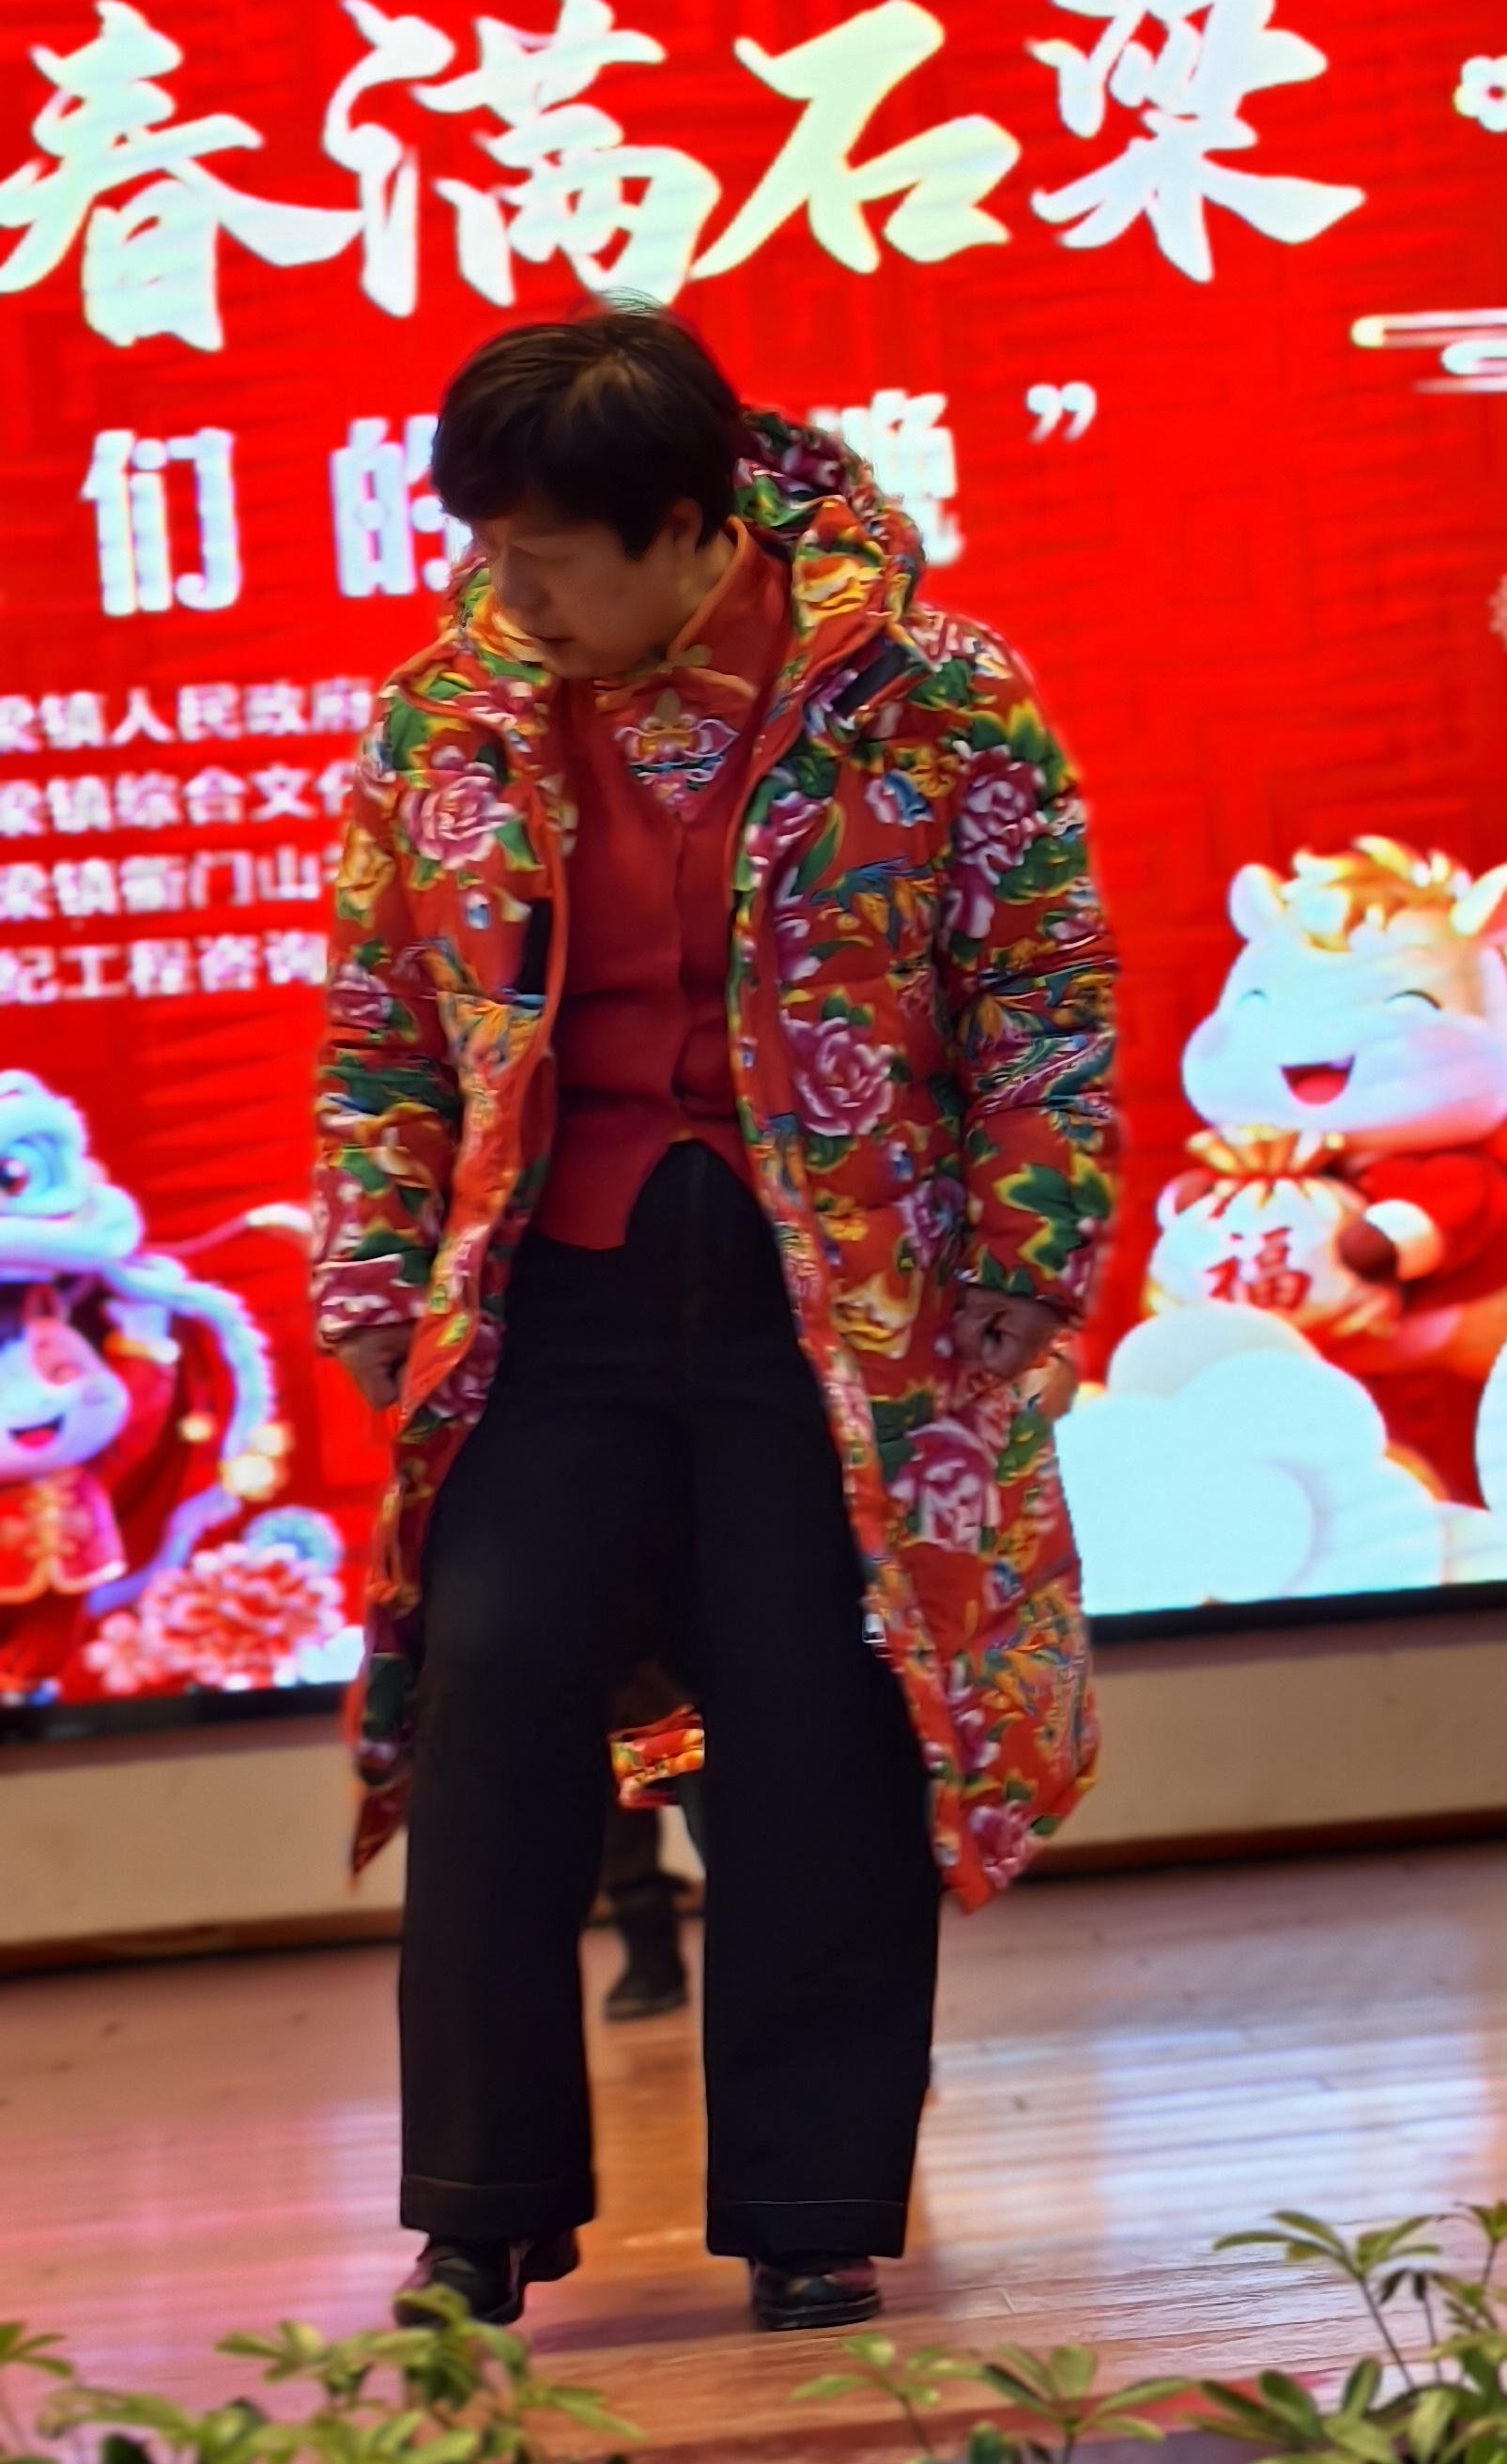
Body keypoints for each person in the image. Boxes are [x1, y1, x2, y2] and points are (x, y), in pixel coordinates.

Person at [312, 305, 1115, 2334]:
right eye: (489, 548)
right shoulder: (447, 714)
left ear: (687, 528)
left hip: (834, 1309)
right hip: (546, 1300)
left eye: (548, 556)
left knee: (816, 1719)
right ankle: (479, 2208)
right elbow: (383, 1017)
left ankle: (812, 2203)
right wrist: (373, 1264)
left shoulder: (933, 694)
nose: (508, 592)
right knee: (497, 1696)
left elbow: (1041, 987)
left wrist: (1024, 1243)